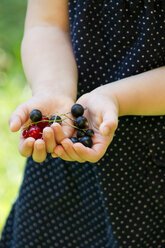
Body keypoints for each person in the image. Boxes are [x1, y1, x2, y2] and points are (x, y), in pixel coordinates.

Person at [0, 0, 165, 247]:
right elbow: (47, 24)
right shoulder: (64, 127)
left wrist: (117, 97)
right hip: (70, 148)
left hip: (154, 167)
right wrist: (53, 88)